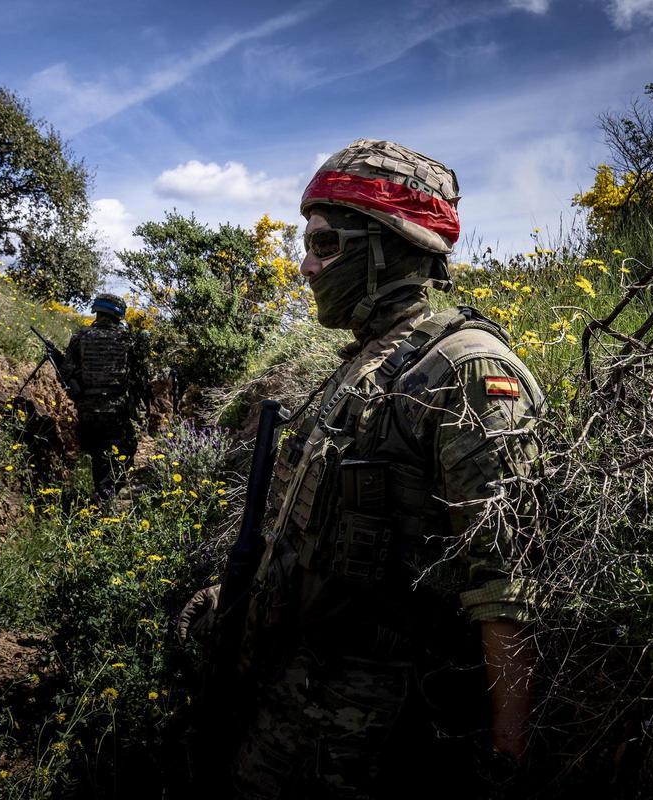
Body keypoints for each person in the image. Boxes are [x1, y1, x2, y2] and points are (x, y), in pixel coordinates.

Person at [178, 139, 544, 798]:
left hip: (375, 739)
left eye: (324, 245)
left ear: (386, 249)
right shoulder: (369, 361)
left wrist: (506, 759)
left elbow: (507, 590)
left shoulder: (466, 372)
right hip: (296, 701)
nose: (306, 266)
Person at [59, 292, 152, 502]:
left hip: (87, 411)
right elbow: (140, 376)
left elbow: (65, 373)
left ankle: (100, 496)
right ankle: (108, 494)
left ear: (97, 311)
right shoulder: (127, 340)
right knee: (126, 449)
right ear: (119, 315)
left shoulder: (80, 337)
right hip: (116, 410)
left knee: (98, 455)